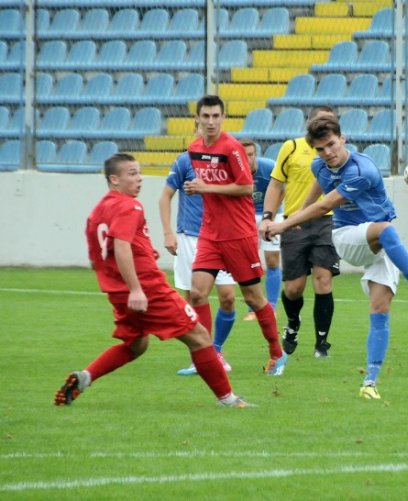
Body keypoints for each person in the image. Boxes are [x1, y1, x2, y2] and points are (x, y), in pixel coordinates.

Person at [262, 114, 408, 400]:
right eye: (321, 149)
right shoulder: (321, 164)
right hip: (347, 237)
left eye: (331, 145)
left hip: (378, 242)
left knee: (380, 310)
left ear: (343, 139)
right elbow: (320, 184)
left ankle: (370, 383)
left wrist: (283, 223)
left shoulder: (363, 170)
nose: (327, 153)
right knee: (387, 230)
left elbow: (327, 202)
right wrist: (298, 213)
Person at [54, 153, 250, 408]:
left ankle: (85, 377)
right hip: (146, 290)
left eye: (139, 172)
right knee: (200, 337)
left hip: (120, 293)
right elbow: (122, 246)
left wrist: (124, 284)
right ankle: (228, 400)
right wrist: (136, 288)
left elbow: (97, 258)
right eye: (132, 173)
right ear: (114, 179)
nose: (140, 178)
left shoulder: (98, 212)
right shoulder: (129, 206)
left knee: (136, 345)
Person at [185, 95, 286, 376]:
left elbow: (245, 187)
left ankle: (276, 354)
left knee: (254, 298)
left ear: (223, 117)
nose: (211, 122)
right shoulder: (194, 148)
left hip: (239, 234)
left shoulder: (231, 148)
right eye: (205, 116)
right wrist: (200, 188)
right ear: (197, 118)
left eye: (216, 116)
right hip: (209, 234)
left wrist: (206, 188)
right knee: (197, 293)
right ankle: (208, 356)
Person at [259, 106, 339, 358]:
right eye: (319, 120)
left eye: (329, 121)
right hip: (294, 223)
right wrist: (268, 217)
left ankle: (322, 342)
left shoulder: (338, 152)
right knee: (294, 288)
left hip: (326, 221)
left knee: (323, 280)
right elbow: (275, 184)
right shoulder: (291, 148)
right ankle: (293, 323)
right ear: (309, 123)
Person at [159, 126, 236, 376]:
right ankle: (202, 357)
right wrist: (168, 232)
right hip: (189, 237)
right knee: (193, 298)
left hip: (221, 237)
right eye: (202, 124)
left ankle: (217, 349)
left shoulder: (227, 159)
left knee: (228, 297)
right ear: (196, 128)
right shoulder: (185, 160)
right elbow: (165, 197)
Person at [239, 138, 282, 322]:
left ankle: (271, 307)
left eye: (250, 155)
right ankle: (253, 308)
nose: (247, 159)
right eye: (243, 155)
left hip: (269, 213)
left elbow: (281, 190)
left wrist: (269, 216)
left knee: (272, 260)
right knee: (249, 262)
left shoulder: (269, 167)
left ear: (256, 154)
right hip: (245, 217)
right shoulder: (234, 171)